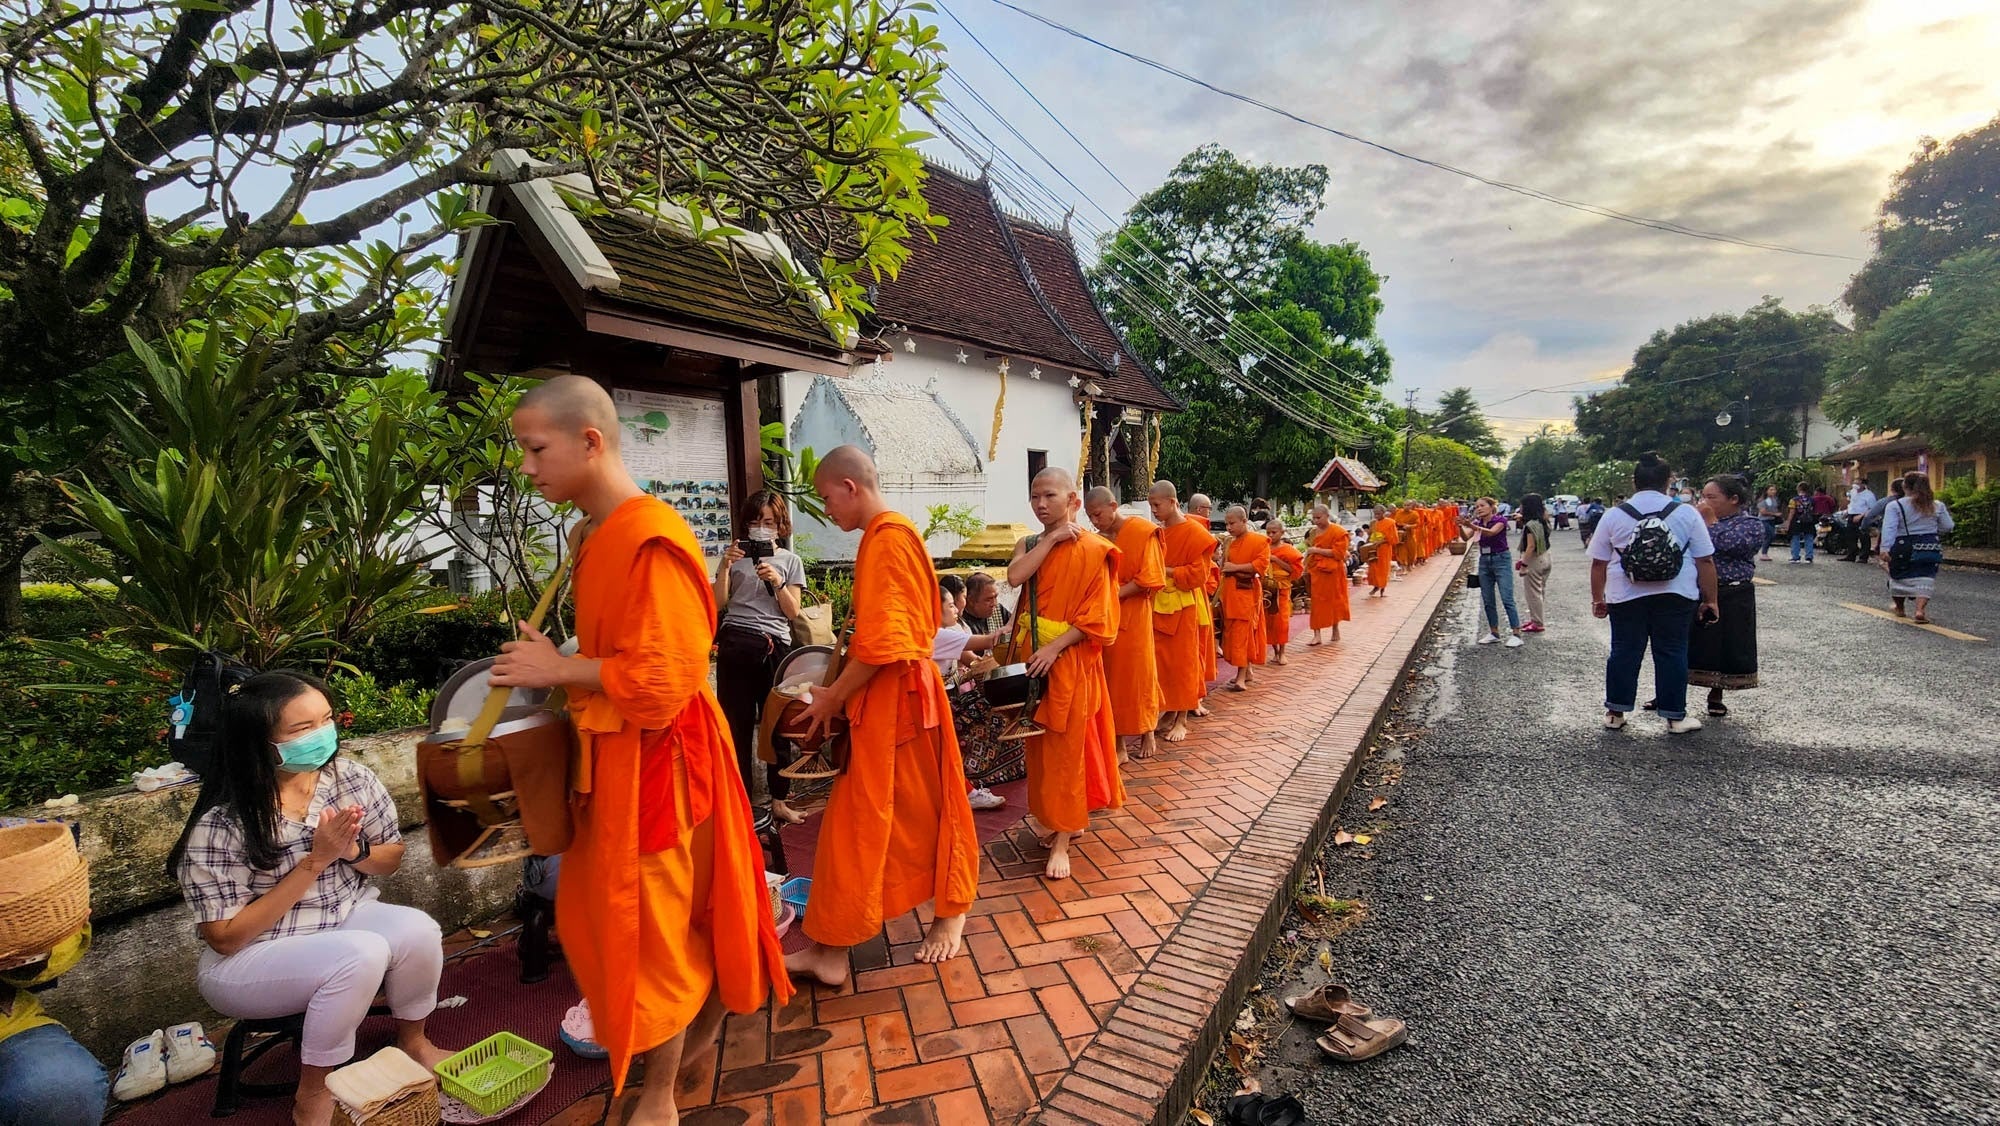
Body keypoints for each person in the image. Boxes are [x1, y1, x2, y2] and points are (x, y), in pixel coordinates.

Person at [493, 376, 788, 1114]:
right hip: (616, 755)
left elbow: (663, 681)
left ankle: (660, 1093)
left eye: (535, 448)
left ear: (589, 441)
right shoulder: (594, 534)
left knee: (648, 930)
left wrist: (560, 669)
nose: (526, 467)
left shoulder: (653, 535)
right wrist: (560, 662)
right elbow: (623, 654)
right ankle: (704, 1024)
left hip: (662, 758)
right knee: (611, 922)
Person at [167, 670, 450, 1126]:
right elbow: (225, 938)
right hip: (251, 956)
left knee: (419, 930)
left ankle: (413, 1042)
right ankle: (315, 1090)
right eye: (302, 729)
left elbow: (391, 856)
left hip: (341, 914)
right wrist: (315, 862)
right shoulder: (223, 823)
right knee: (361, 953)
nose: (322, 736)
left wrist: (354, 851)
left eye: (326, 719)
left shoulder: (348, 778)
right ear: (259, 743)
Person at [786, 445, 980, 983]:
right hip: (890, 702)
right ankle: (830, 950)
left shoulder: (889, 539)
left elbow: (887, 643)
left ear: (851, 487)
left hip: (902, 704)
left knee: (923, 813)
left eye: (827, 499)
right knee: (856, 827)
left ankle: (950, 909)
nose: (829, 512)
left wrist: (830, 697)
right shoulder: (883, 538)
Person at [1005, 469, 1125, 880]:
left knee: (1068, 750)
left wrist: (1055, 648)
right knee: (1039, 749)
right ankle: (1053, 817)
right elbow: (1015, 577)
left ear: (1073, 500)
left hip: (1068, 658)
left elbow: (1100, 617)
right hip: (1032, 657)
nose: (1041, 504)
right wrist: (1053, 538)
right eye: (1035, 496)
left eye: (1050, 496)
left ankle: (1063, 837)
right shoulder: (1029, 542)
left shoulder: (1096, 549)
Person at [1589, 452, 1719, 734]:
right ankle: (1675, 717)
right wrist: (1711, 600)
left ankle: (1615, 713)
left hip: (1625, 593)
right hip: (1676, 592)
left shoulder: (1614, 515)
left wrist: (1598, 598)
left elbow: (1599, 562)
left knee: (1624, 651)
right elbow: (1705, 560)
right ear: (1668, 482)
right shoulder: (1687, 513)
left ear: (1634, 481)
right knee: (1672, 651)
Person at [712, 490, 808, 826]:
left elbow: (793, 611)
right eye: (755, 522)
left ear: (781, 525)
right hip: (737, 644)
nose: (762, 528)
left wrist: (778, 581)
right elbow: (720, 602)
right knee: (735, 727)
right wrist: (724, 566)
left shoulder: (790, 561)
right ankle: (739, 803)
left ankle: (779, 800)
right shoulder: (735, 558)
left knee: (776, 727)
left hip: (774, 649)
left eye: (768, 522)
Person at [1, 874, 108, 1126]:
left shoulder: (25, 844)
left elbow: (65, 946)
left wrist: (35, 947)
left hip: (7, 1028)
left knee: (60, 1083)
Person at [1084, 487, 1165, 761]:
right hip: (1106, 618)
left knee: (1139, 674)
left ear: (1113, 506)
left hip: (1135, 614)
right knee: (1109, 678)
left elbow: (1151, 576)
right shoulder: (1096, 540)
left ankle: (1147, 731)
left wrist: (1114, 593)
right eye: (1090, 517)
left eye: (1098, 514)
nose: (1095, 521)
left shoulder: (1142, 531)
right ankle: (1117, 741)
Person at [1685, 475, 1762, 718]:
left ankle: (1716, 693)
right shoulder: (1693, 522)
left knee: (1727, 645)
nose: (1704, 502)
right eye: (1703, 497)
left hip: (1733, 591)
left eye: (1711, 497)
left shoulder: (1749, 524)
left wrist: (1711, 523)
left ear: (1734, 499)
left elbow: (1736, 546)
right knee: (1684, 644)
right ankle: (1671, 692)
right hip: (1696, 590)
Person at [1149, 481, 1216, 743]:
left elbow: (1198, 576)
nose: (1154, 510)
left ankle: (1182, 719)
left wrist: (1164, 571)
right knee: (1163, 662)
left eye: (1157, 505)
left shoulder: (1194, 533)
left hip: (1185, 604)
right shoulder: (1159, 533)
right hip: (1159, 605)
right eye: (1152, 505)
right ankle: (1168, 711)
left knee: (1183, 661)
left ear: (1173, 501)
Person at [1879, 472, 1954, 624]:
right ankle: (1920, 610)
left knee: (1898, 575)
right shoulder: (1937, 505)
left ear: (1904, 486)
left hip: (1903, 544)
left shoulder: (1896, 505)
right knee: (1926, 576)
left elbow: (1889, 528)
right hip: (1930, 543)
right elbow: (1948, 526)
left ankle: (1899, 608)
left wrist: (1885, 548)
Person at [1217, 505, 1269, 692]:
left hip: (1247, 593)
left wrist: (1235, 568)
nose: (1229, 527)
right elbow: (1224, 567)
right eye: (1227, 524)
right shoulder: (1230, 542)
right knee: (1233, 634)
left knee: (1243, 635)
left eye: (1232, 523)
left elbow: (1260, 566)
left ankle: (1240, 676)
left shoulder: (1259, 541)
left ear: (1244, 521)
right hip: (1230, 594)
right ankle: (1247, 671)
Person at [1460, 498, 1524, 647]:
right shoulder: (1477, 523)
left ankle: (1516, 633)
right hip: (1484, 560)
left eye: (1482, 506)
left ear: (1491, 507)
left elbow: (1491, 533)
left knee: (1507, 597)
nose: (1479, 509)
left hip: (1501, 558)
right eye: (1477, 507)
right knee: (1487, 599)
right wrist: (1460, 526)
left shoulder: (1500, 520)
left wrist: (1471, 525)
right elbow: (1465, 537)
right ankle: (1494, 632)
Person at [1186, 493, 1221, 707]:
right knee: (1192, 650)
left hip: (1194, 594)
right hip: (1187, 596)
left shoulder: (1194, 529)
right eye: (1208, 508)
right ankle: (1191, 698)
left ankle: (1194, 696)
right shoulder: (1194, 529)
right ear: (1200, 509)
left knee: (1195, 649)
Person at [1304, 504, 1352, 645]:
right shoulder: (1313, 532)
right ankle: (1316, 634)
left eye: (1319, 518)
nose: (1316, 521)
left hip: (1333, 572)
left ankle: (1335, 629)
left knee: (1334, 601)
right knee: (1317, 603)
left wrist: (1317, 551)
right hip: (1317, 571)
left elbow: (1339, 554)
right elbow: (1309, 552)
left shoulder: (1338, 532)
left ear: (1327, 516)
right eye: (1314, 518)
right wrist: (1306, 566)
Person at [1265, 518, 1305, 665]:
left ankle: (1282, 652)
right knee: (1269, 622)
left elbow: (1294, 570)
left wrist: (1275, 559)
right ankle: (1275, 651)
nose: (1270, 535)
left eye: (1274, 532)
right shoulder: (1263, 547)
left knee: (1281, 622)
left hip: (1282, 589)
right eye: (1268, 532)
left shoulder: (1288, 550)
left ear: (1282, 532)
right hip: (1267, 589)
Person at [1514, 494, 1553, 634]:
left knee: (1533, 593)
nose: (1520, 508)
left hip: (1535, 560)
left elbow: (1530, 547)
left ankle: (1537, 622)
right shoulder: (1542, 521)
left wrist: (1524, 564)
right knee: (1540, 590)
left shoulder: (1530, 526)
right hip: (1546, 557)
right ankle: (1536, 618)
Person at [1861, 477, 1904, 563]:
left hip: (1890, 532)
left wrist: (1864, 527)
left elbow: (1869, 515)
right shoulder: (1917, 502)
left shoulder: (1887, 502)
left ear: (1892, 489)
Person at [1841, 478, 1878, 562]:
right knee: (1850, 536)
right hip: (1851, 515)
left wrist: (1861, 516)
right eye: (1854, 482)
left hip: (1862, 517)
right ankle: (1851, 555)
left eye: (1858, 483)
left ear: (1863, 485)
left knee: (1863, 537)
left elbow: (1872, 509)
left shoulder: (1869, 495)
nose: (1855, 484)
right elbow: (1852, 503)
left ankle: (1863, 557)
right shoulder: (1852, 492)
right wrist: (1847, 512)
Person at [1365, 507, 1397, 597]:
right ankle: (1376, 586)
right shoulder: (1374, 523)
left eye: (1378, 514)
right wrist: (1368, 544)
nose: (1376, 516)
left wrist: (1381, 541)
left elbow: (1393, 538)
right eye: (1375, 514)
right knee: (1373, 568)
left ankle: (1382, 588)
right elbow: (1370, 534)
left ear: (1383, 512)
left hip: (1384, 548)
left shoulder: (1390, 523)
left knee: (1383, 568)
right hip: (1374, 548)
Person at [1785, 481, 1818, 564]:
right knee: (1809, 538)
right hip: (1809, 521)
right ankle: (1809, 557)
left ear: (1798, 489)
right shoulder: (1812, 500)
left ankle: (1796, 557)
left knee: (1795, 538)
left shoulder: (1794, 500)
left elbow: (1792, 512)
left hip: (1797, 521)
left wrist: (1788, 522)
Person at [1756, 485, 1783, 561]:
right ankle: (1763, 553)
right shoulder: (1763, 500)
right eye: (1771, 490)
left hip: (1772, 520)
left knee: (1771, 536)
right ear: (1766, 491)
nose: (1773, 491)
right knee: (1769, 535)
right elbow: (1763, 511)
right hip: (1764, 520)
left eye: (1774, 490)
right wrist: (1774, 514)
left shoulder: (1775, 500)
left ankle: (1765, 552)